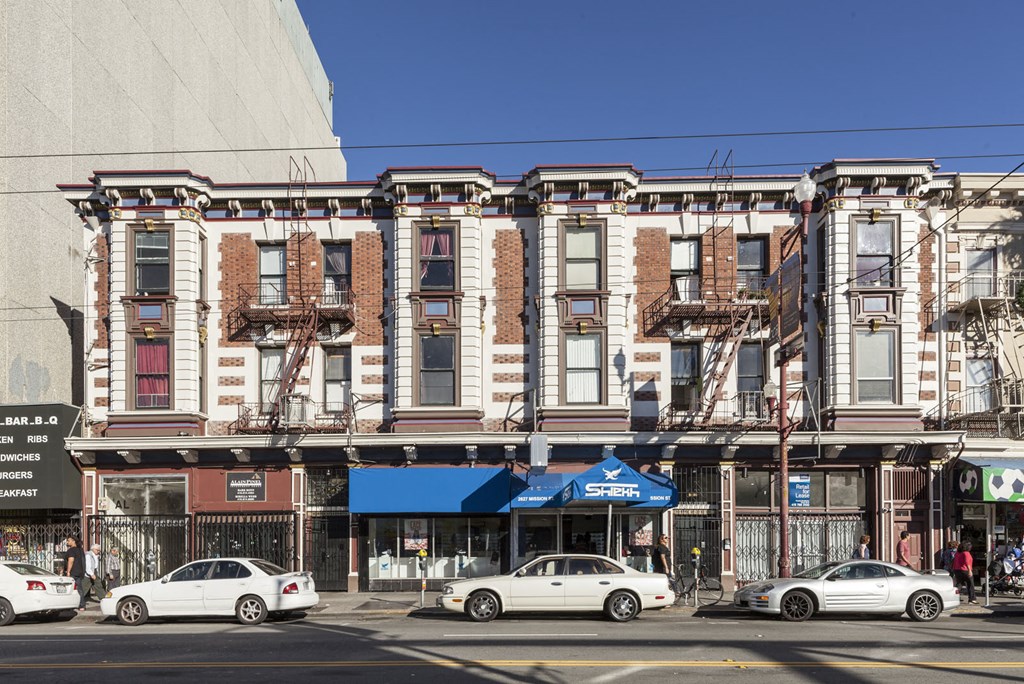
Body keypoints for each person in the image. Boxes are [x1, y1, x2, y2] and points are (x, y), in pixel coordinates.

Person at [62, 536, 86, 611]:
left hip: (73, 572)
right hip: (79, 572)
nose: (67, 542)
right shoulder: (80, 550)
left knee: (70, 589)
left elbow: (71, 561)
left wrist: (68, 572)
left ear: (73, 541)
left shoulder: (71, 550)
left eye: (68, 541)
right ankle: (81, 605)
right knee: (79, 589)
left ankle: (70, 605)